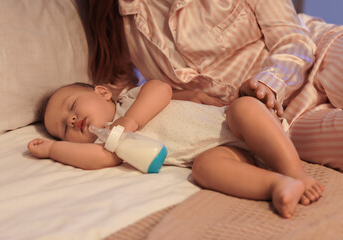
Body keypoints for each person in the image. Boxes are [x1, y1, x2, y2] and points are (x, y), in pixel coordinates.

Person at [75, 0, 343, 171]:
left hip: (319, 51)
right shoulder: (116, 20)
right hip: (281, 122)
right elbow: (120, 94)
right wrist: (181, 94)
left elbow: (293, 38)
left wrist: (267, 84)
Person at [28, 80, 324, 219]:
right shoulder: (114, 144)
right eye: (65, 128)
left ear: (103, 92)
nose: (72, 119)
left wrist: (131, 119)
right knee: (205, 169)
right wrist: (54, 150)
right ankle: (277, 184)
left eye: (72, 107)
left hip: (236, 124)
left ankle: (294, 171)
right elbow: (96, 158)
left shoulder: (130, 100)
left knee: (243, 107)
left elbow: (160, 88)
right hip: (225, 151)